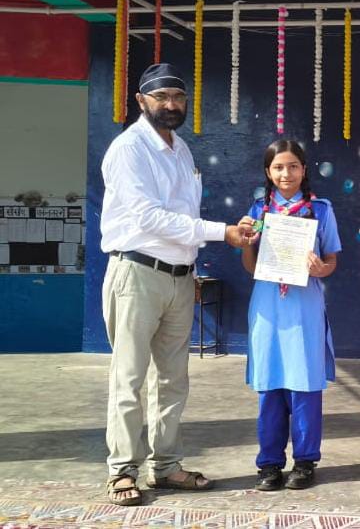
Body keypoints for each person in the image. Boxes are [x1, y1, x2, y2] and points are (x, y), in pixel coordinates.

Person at [99, 63, 253, 506]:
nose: (171, 104)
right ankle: (122, 470)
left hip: (179, 279)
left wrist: (191, 267)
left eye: (178, 97)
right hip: (136, 274)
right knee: (129, 377)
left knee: (173, 379)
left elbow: (183, 217)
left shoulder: (181, 149)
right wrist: (222, 231)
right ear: (141, 100)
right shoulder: (128, 149)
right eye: (161, 96)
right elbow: (148, 218)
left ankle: (165, 466)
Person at [237, 140, 341, 491]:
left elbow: (331, 261)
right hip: (268, 306)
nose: (286, 174)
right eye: (279, 167)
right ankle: (269, 463)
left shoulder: (321, 210)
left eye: (293, 166)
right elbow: (251, 266)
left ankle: (306, 461)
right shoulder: (258, 211)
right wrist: (246, 242)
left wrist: (320, 268)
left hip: (304, 306)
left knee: (305, 384)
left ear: (304, 170)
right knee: (270, 384)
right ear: (268, 172)